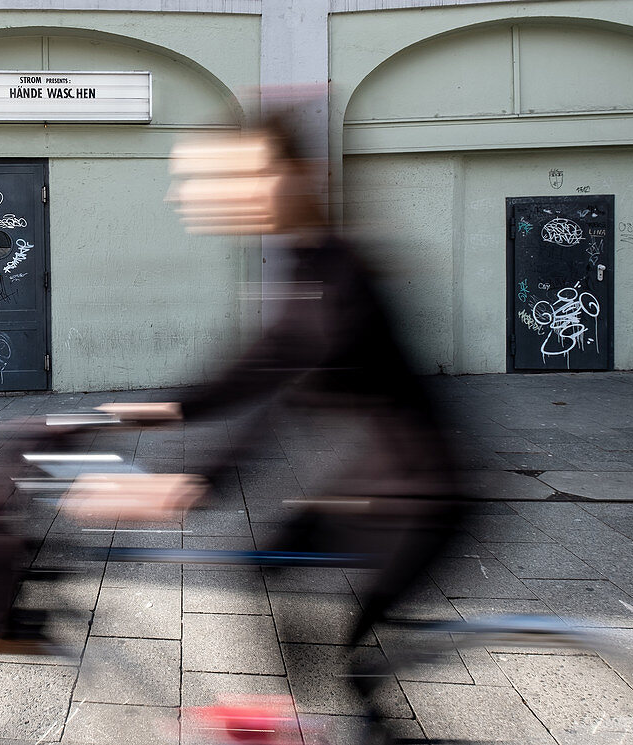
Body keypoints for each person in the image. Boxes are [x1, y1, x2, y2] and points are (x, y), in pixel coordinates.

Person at [64, 111, 466, 743]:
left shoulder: (341, 275)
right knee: (272, 581)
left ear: (300, 176)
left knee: (344, 668)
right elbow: (251, 371)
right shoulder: (310, 265)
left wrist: (193, 484)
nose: (204, 192)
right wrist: (123, 416)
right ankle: (315, 719)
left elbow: (286, 400)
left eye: (240, 174)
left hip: (420, 502)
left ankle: (335, 722)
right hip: (378, 482)